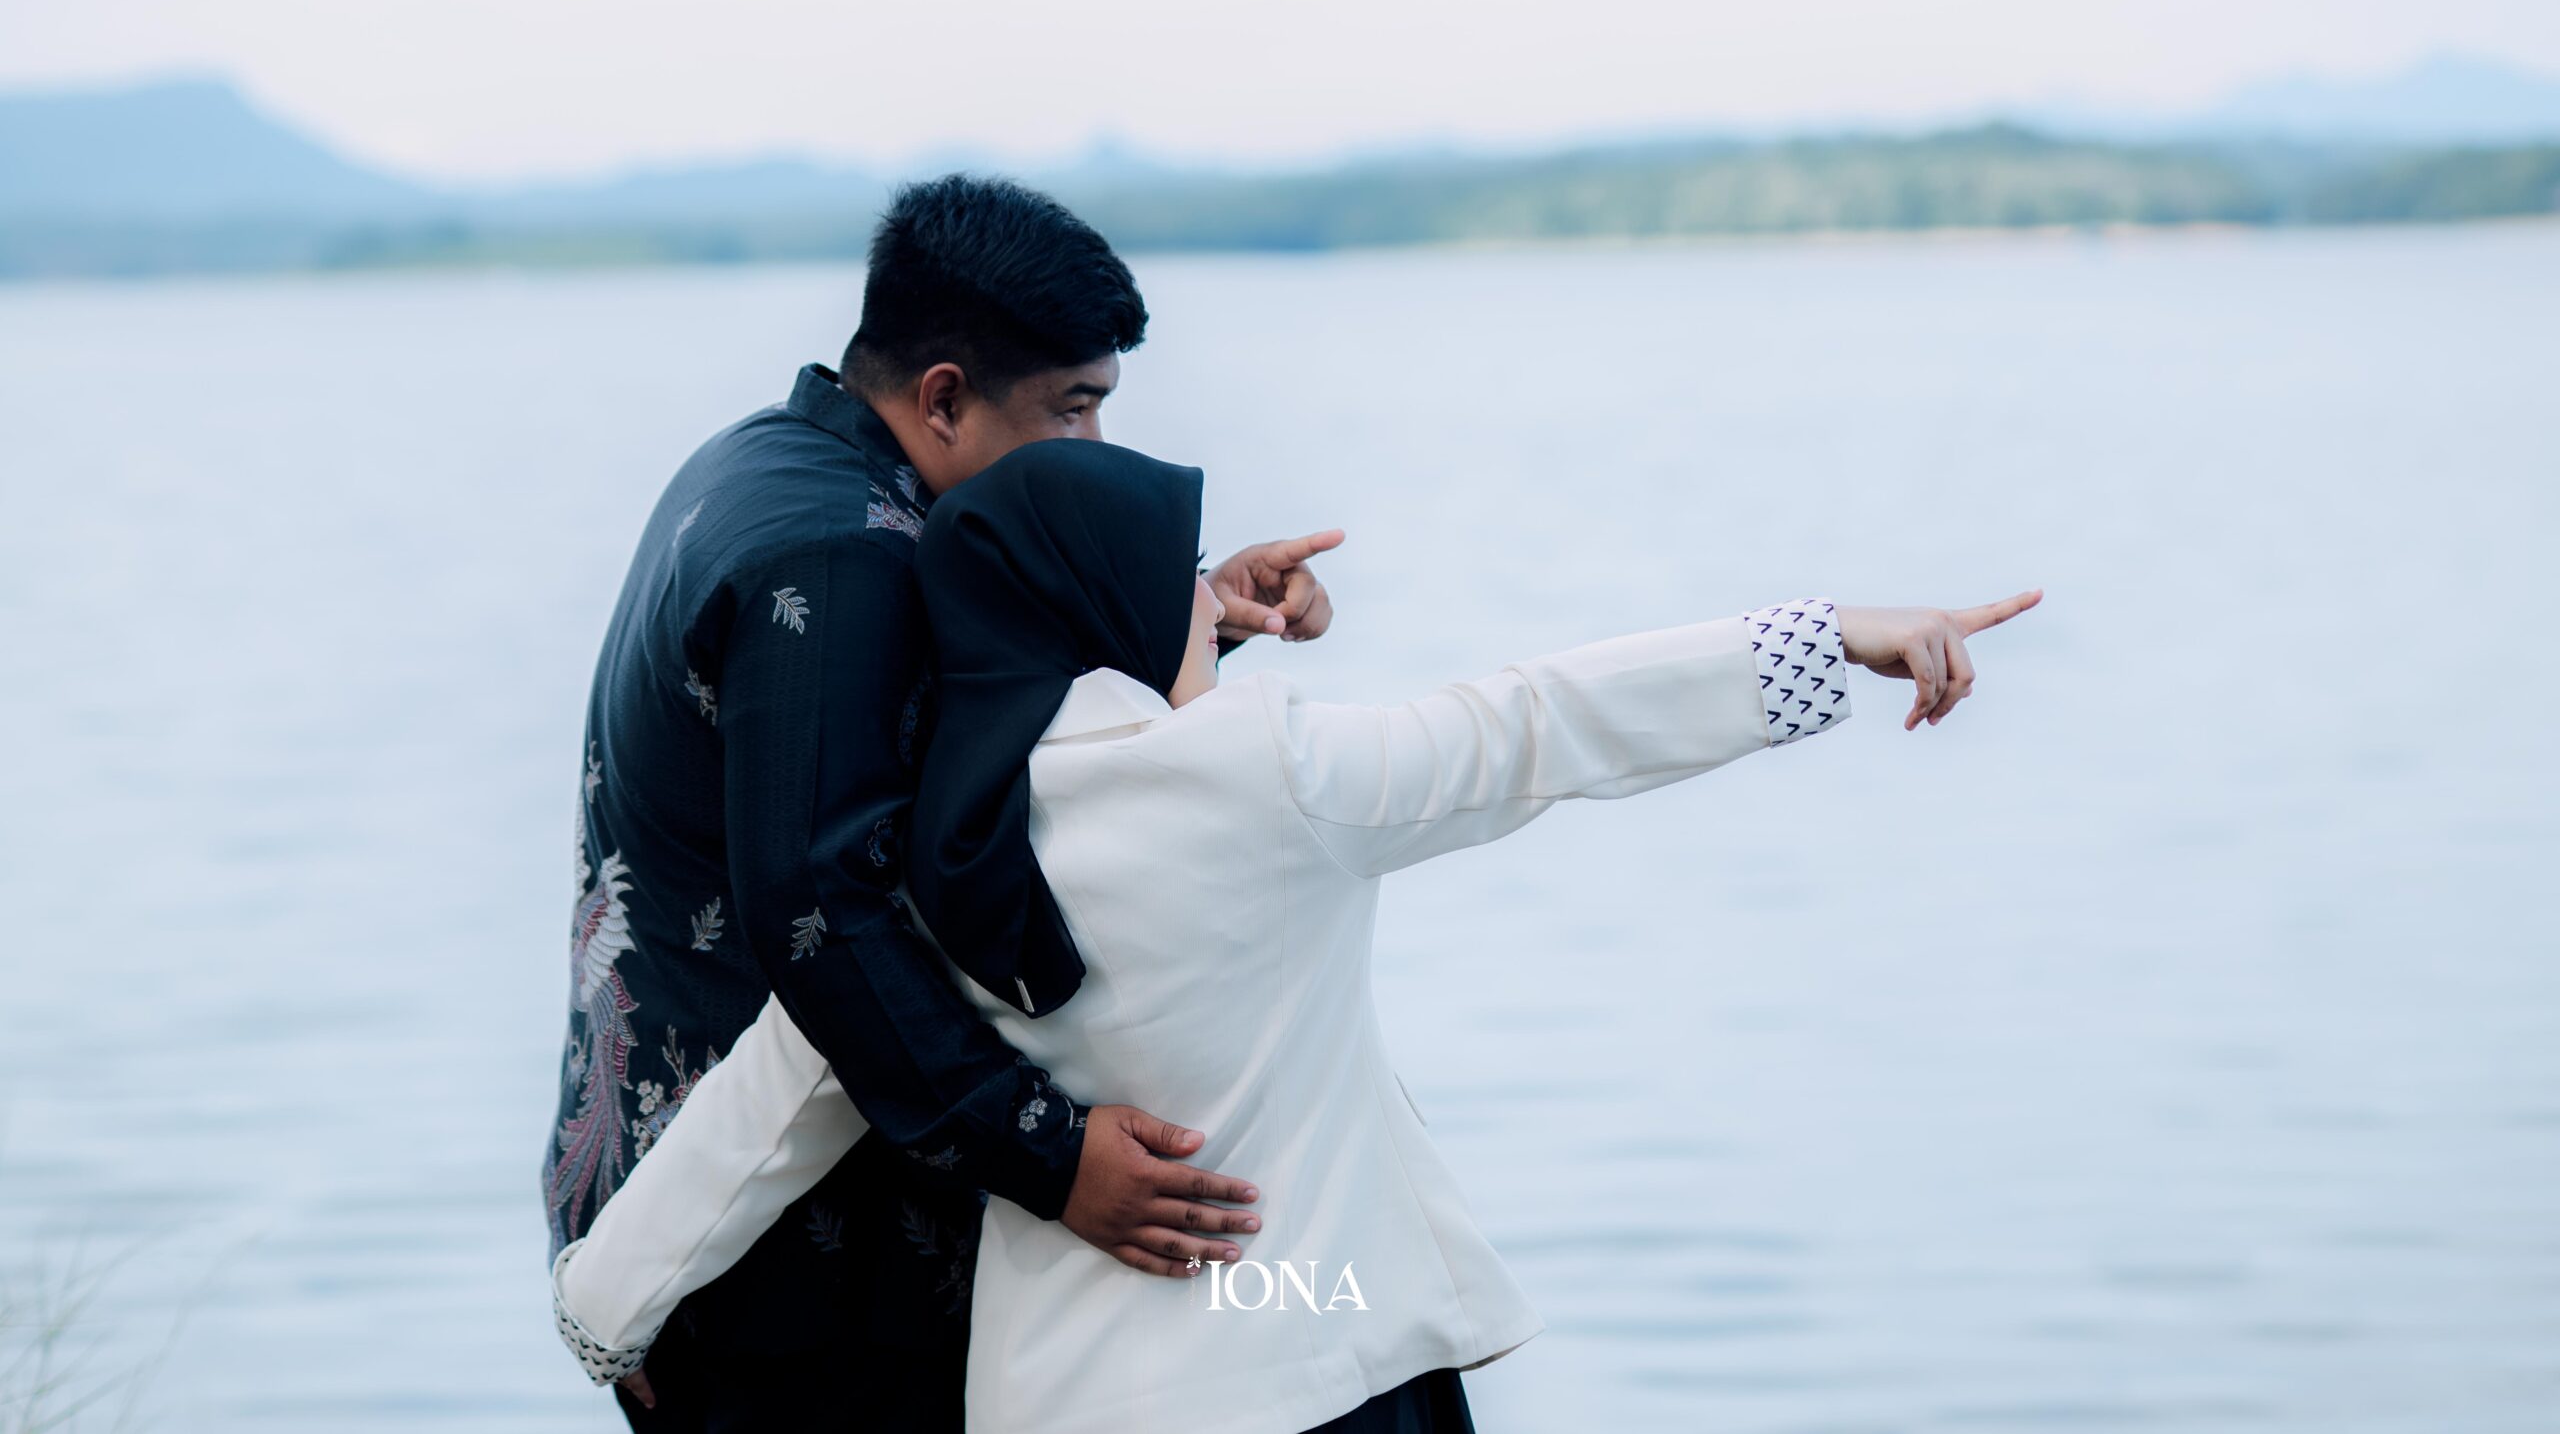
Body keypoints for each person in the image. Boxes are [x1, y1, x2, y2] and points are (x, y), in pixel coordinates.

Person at [551, 437, 2042, 1434]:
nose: (1210, 618)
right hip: (1319, 1363)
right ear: (1113, 608)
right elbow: (1538, 721)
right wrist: (1826, 636)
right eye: (1183, 589)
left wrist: (600, 1315)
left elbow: (763, 1118)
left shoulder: (913, 873)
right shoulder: (1269, 771)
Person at [540, 176, 1344, 1430]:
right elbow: (825, 911)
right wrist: (1054, 1154)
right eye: (1073, 407)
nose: (1093, 448)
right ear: (945, 397)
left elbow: (928, 730)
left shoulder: (782, 456)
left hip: (698, 1200)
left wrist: (1193, 617)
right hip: (771, 1254)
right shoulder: (836, 557)